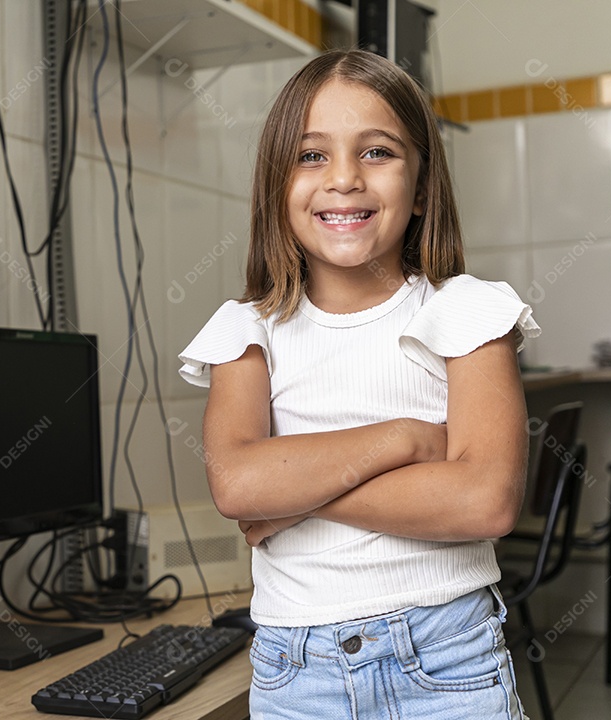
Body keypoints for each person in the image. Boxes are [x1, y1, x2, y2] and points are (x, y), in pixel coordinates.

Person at [178, 50, 539, 719]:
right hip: (296, 671)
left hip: (447, 657)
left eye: (377, 152)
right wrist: (407, 439)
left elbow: (485, 501)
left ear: (423, 186)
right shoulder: (244, 329)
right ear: (275, 185)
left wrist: (293, 494)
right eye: (311, 156)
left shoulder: (468, 310)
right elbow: (238, 485)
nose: (343, 180)